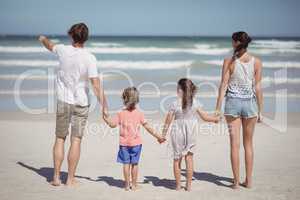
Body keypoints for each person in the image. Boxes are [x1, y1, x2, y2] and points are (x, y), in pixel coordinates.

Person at [38, 23, 107, 186]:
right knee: (76, 140)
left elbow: (49, 45)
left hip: (63, 101)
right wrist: (104, 106)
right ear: (86, 38)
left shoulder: (62, 50)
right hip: (81, 103)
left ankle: (55, 177)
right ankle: (70, 179)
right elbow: (95, 84)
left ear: (71, 35)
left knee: (60, 138)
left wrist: (43, 38)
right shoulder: (90, 57)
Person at [215, 31, 263, 189]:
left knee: (234, 145)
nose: (231, 44)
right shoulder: (257, 62)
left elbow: (223, 85)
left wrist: (217, 108)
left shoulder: (229, 61)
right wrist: (260, 110)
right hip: (250, 104)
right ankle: (248, 181)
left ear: (236, 42)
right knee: (248, 144)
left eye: (232, 41)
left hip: (233, 105)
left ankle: (235, 182)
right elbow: (257, 87)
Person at [161, 78, 219, 191]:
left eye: (177, 88)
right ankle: (188, 186)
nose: (177, 90)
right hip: (190, 132)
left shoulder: (174, 103)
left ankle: (178, 186)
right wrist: (214, 119)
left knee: (177, 159)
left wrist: (163, 134)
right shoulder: (195, 102)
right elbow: (205, 117)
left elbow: (168, 120)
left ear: (181, 90)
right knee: (189, 158)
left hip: (177, 132)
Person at [102, 87, 165, 191]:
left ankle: (127, 185)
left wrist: (105, 118)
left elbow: (112, 125)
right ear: (137, 100)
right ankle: (134, 185)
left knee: (126, 164)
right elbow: (148, 127)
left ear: (124, 98)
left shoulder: (120, 113)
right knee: (135, 164)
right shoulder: (139, 113)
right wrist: (158, 137)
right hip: (136, 144)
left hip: (124, 145)